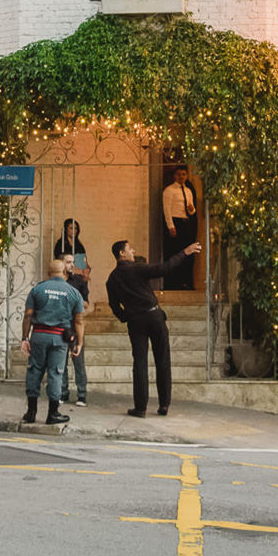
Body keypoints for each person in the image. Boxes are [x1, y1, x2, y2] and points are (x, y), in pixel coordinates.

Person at [106, 237, 202, 417]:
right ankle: (164, 404)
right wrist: (185, 252)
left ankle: (140, 408)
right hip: (154, 316)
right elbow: (164, 268)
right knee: (163, 360)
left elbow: (114, 305)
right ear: (121, 253)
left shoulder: (112, 279)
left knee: (140, 363)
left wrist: (126, 316)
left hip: (136, 321)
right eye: (130, 249)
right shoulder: (136, 268)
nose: (133, 251)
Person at [20, 257, 86, 425]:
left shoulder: (38, 289)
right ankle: (53, 413)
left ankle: (31, 412)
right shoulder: (73, 293)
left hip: (39, 335)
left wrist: (24, 338)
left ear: (49, 273)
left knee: (34, 371)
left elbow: (28, 315)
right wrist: (79, 343)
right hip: (59, 338)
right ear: (64, 273)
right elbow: (79, 320)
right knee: (56, 373)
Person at [60, 253, 90, 408]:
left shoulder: (79, 281)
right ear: (60, 264)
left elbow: (86, 304)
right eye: (68, 262)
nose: (71, 265)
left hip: (74, 325)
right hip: (59, 326)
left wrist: (74, 300)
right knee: (60, 363)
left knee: (78, 361)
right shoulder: (54, 282)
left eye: (72, 262)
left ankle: (82, 395)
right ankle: (63, 393)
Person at [161, 167, 198, 290]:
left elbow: (192, 211)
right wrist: (170, 226)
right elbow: (166, 209)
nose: (181, 177)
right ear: (174, 176)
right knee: (176, 253)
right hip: (175, 222)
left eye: (183, 174)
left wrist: (192, 210)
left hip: (186, 223)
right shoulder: (169, 190)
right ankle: (173, 283)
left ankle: (186, 282)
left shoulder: (188, 191)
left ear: (187, 176)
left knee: (187, 253)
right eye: (178, 174)